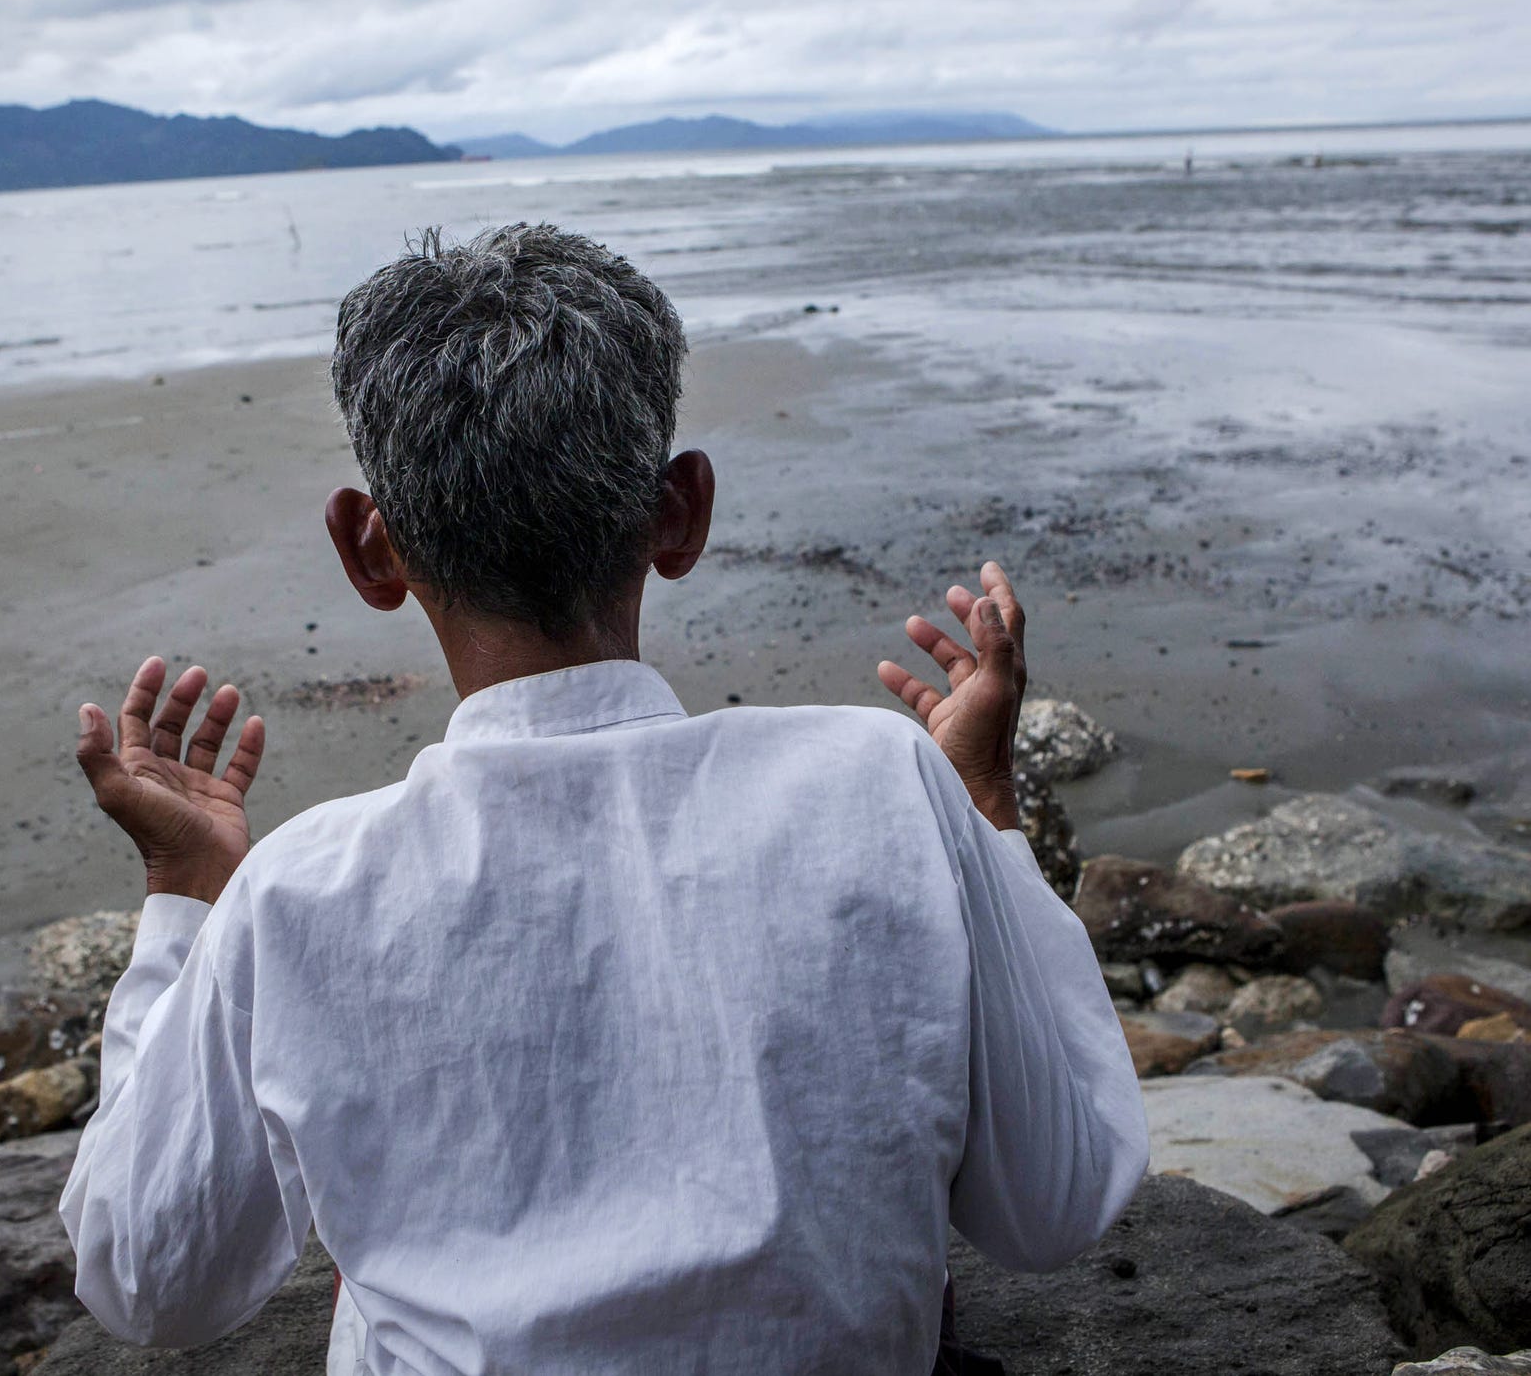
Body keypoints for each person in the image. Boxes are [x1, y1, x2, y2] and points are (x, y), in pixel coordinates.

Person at [60, 224, 1148, 1374]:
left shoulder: (299, 895)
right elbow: (1057, 1203)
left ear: (368, 550)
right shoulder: (879, 782)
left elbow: (143, 1280)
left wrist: (187, 892)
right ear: (680, 512)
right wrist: (980, 802)